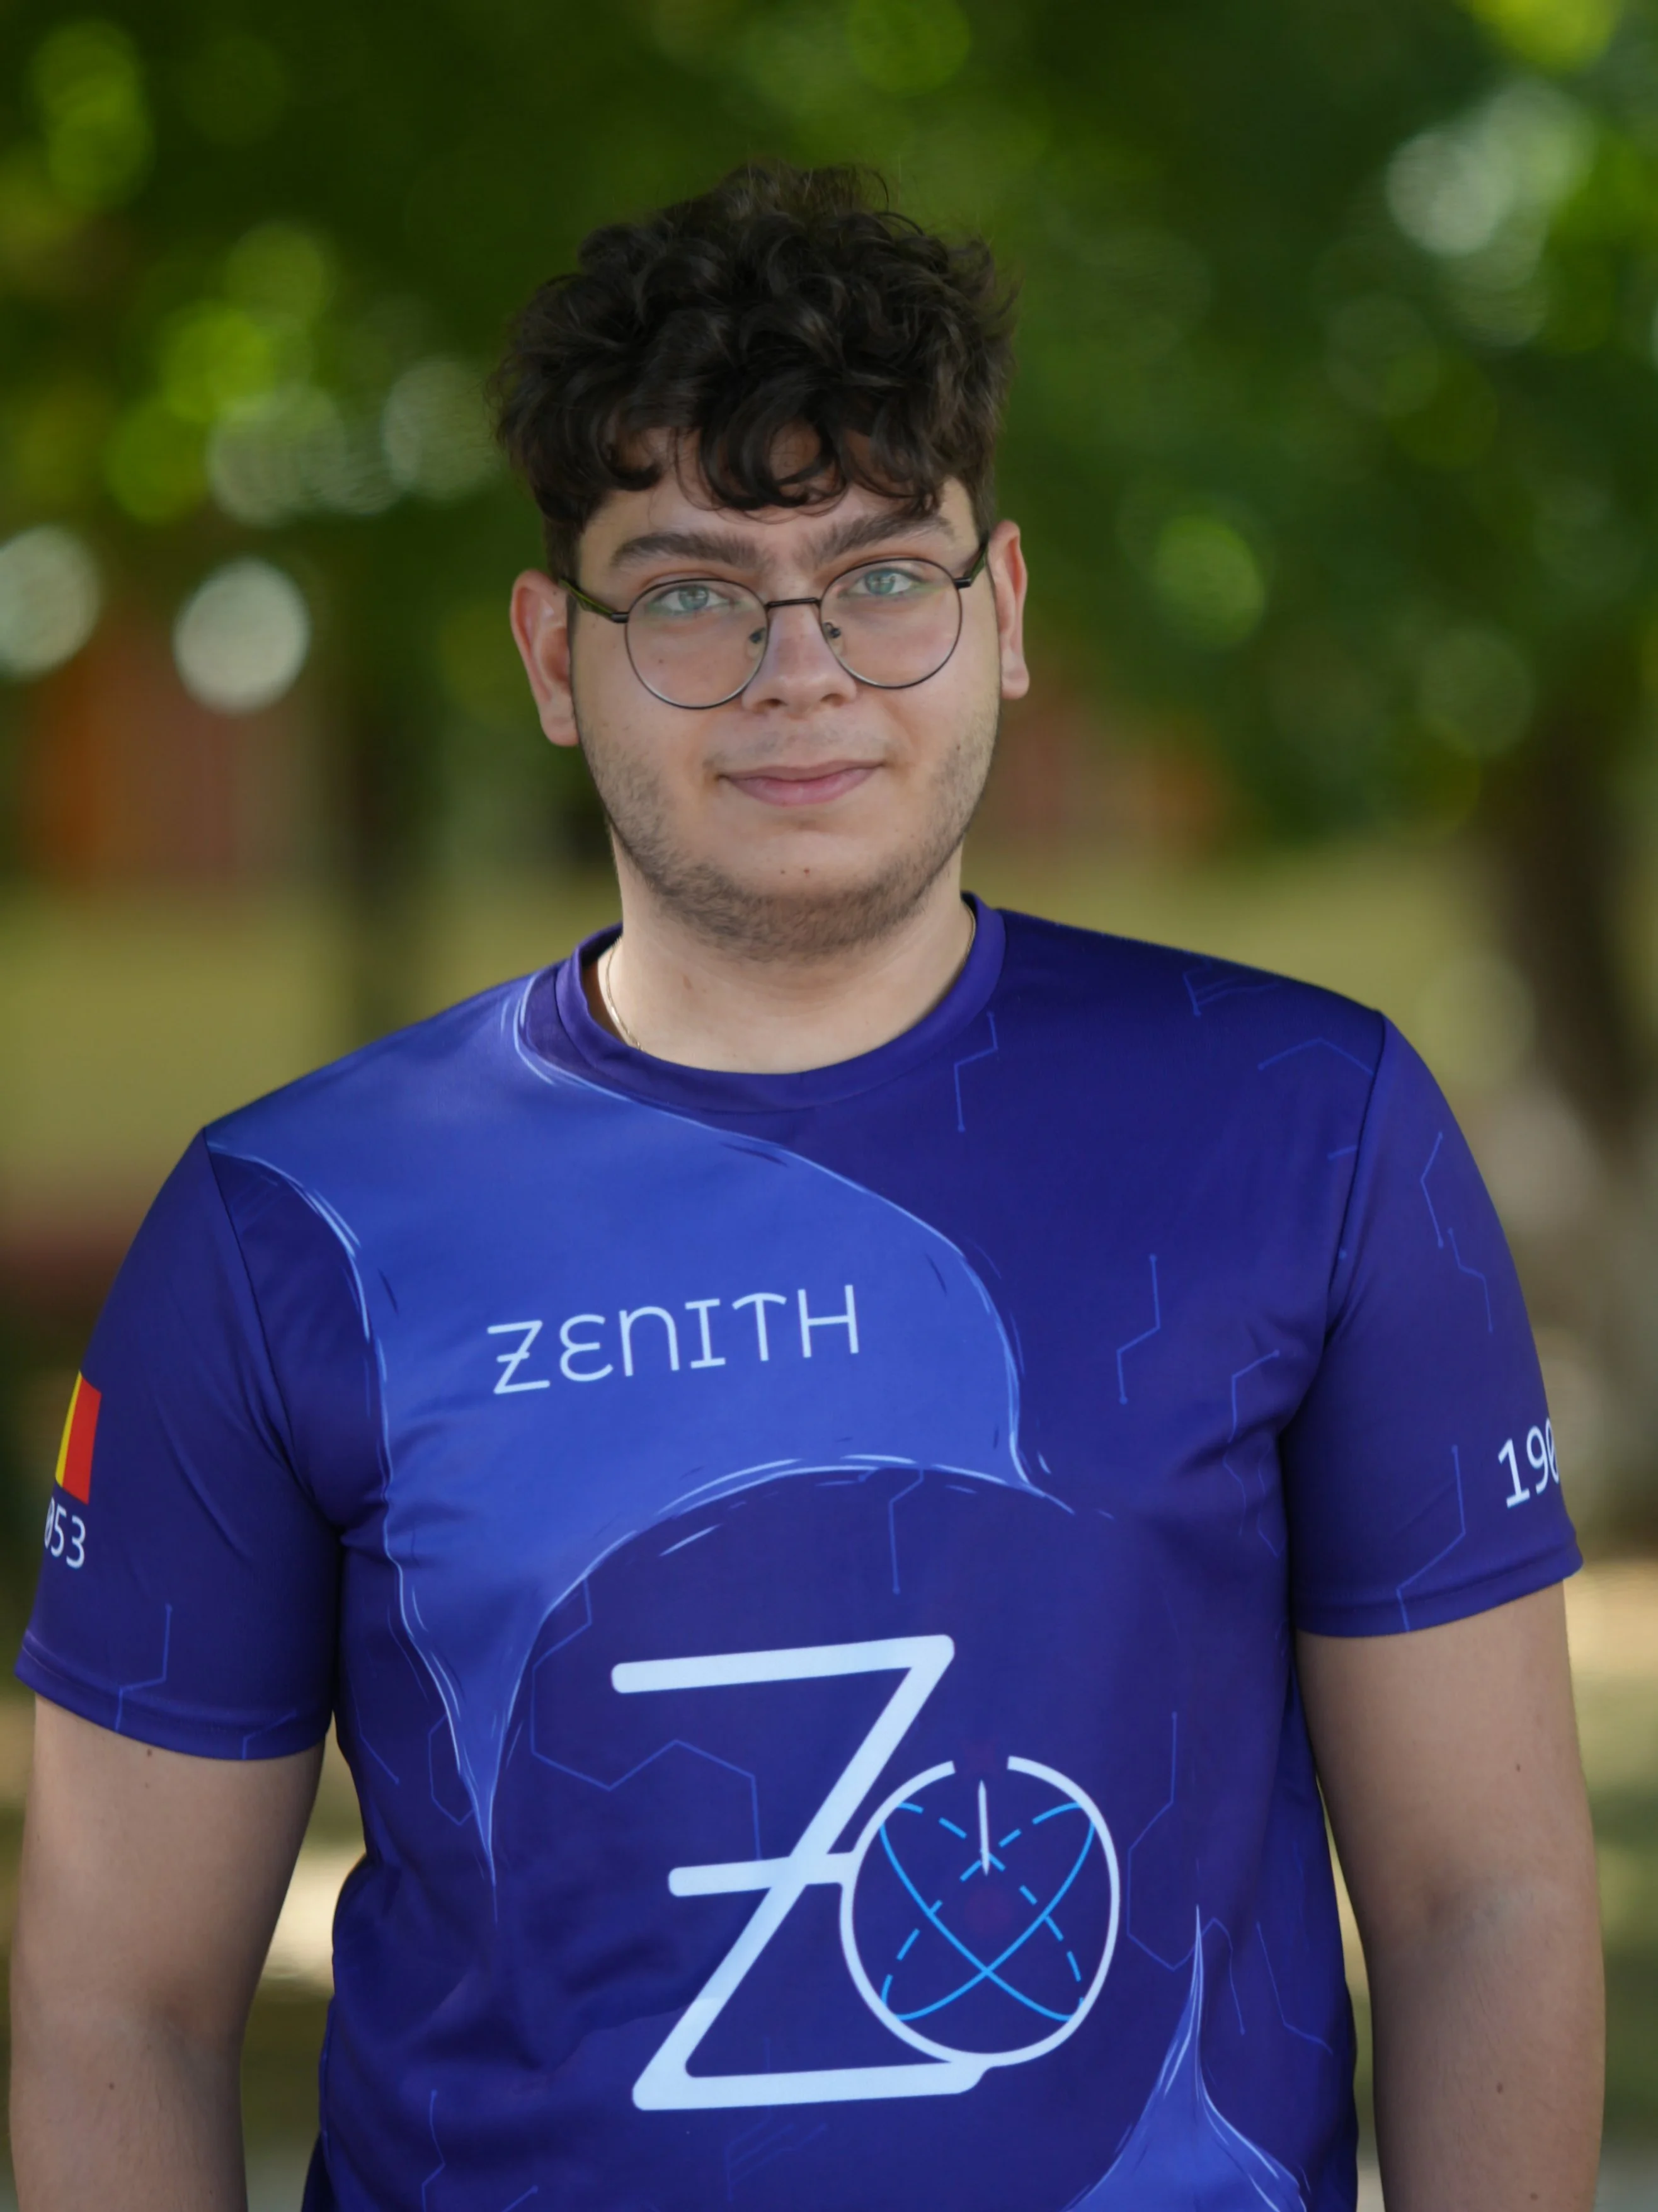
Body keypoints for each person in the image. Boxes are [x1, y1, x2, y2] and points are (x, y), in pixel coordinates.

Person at [11, 163, 1601, 2212]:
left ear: (1002, 613)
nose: (800, 670)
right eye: (688, 593)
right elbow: (115, 2003)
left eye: (880, 578)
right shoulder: (288, 1228)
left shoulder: (1307, 1123)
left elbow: (1485, 1897)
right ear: (553, 656)